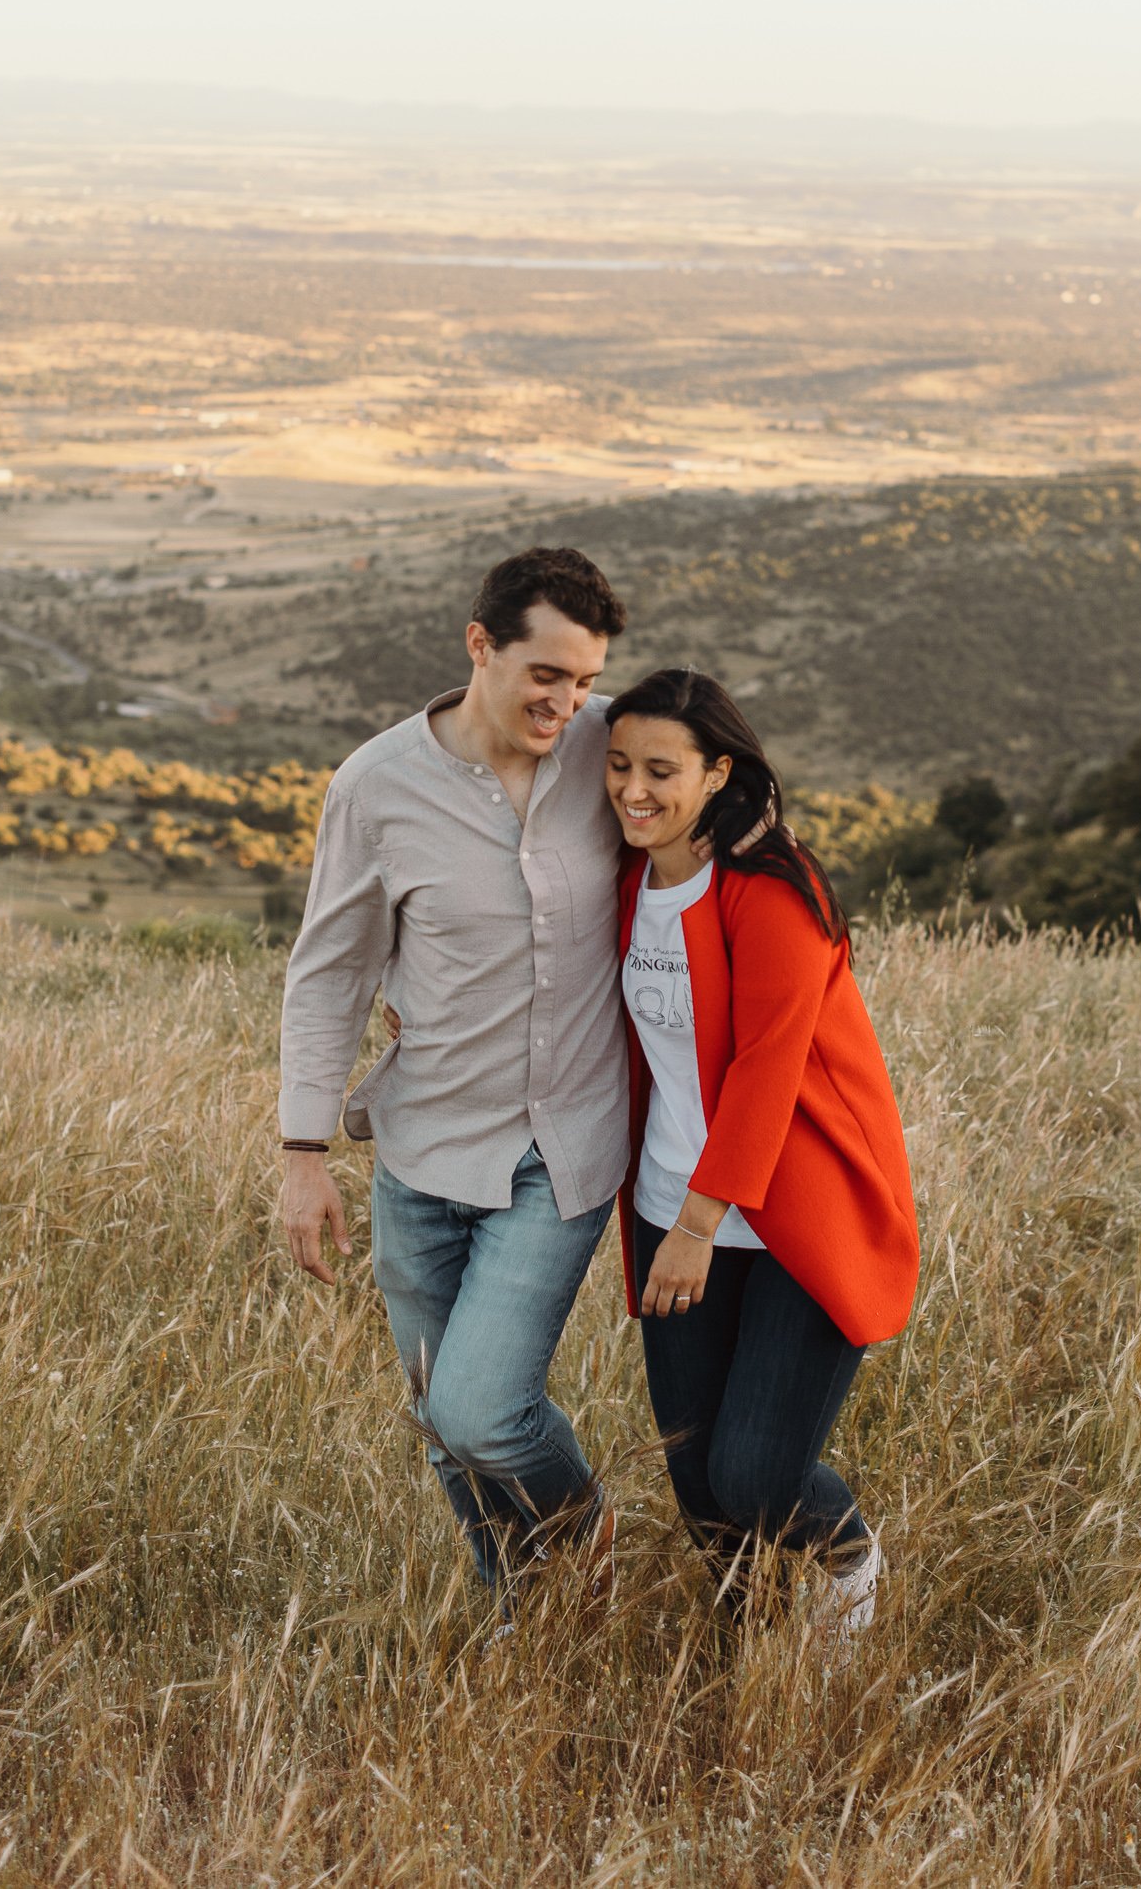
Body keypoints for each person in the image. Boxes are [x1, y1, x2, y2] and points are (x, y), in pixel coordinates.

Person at [278, 546, 631, 1606]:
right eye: (546, 675)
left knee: (479, 1408)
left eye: (583, 679)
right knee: (441, 1426)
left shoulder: (613, 746)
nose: (567, 702)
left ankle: (583, 1531)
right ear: (480, 647)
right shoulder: (376, 785)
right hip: (422, 1152)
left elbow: (720, 805)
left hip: (559, 1151)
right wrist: (302, 1153)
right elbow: (329, 970)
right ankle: (516, 1611)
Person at [603, 666, 920, 1647]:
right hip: (667, 1205)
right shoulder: (624, 879)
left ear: (716, 773)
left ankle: (846, 1558)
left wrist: (700, 1223)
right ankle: (751, 1649)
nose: (633, 790)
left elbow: (765, 1068)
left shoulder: (770, 885)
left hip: (788, 1216)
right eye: (617, 766)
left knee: (755, 1472)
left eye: (661, 769)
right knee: (698, 1482)